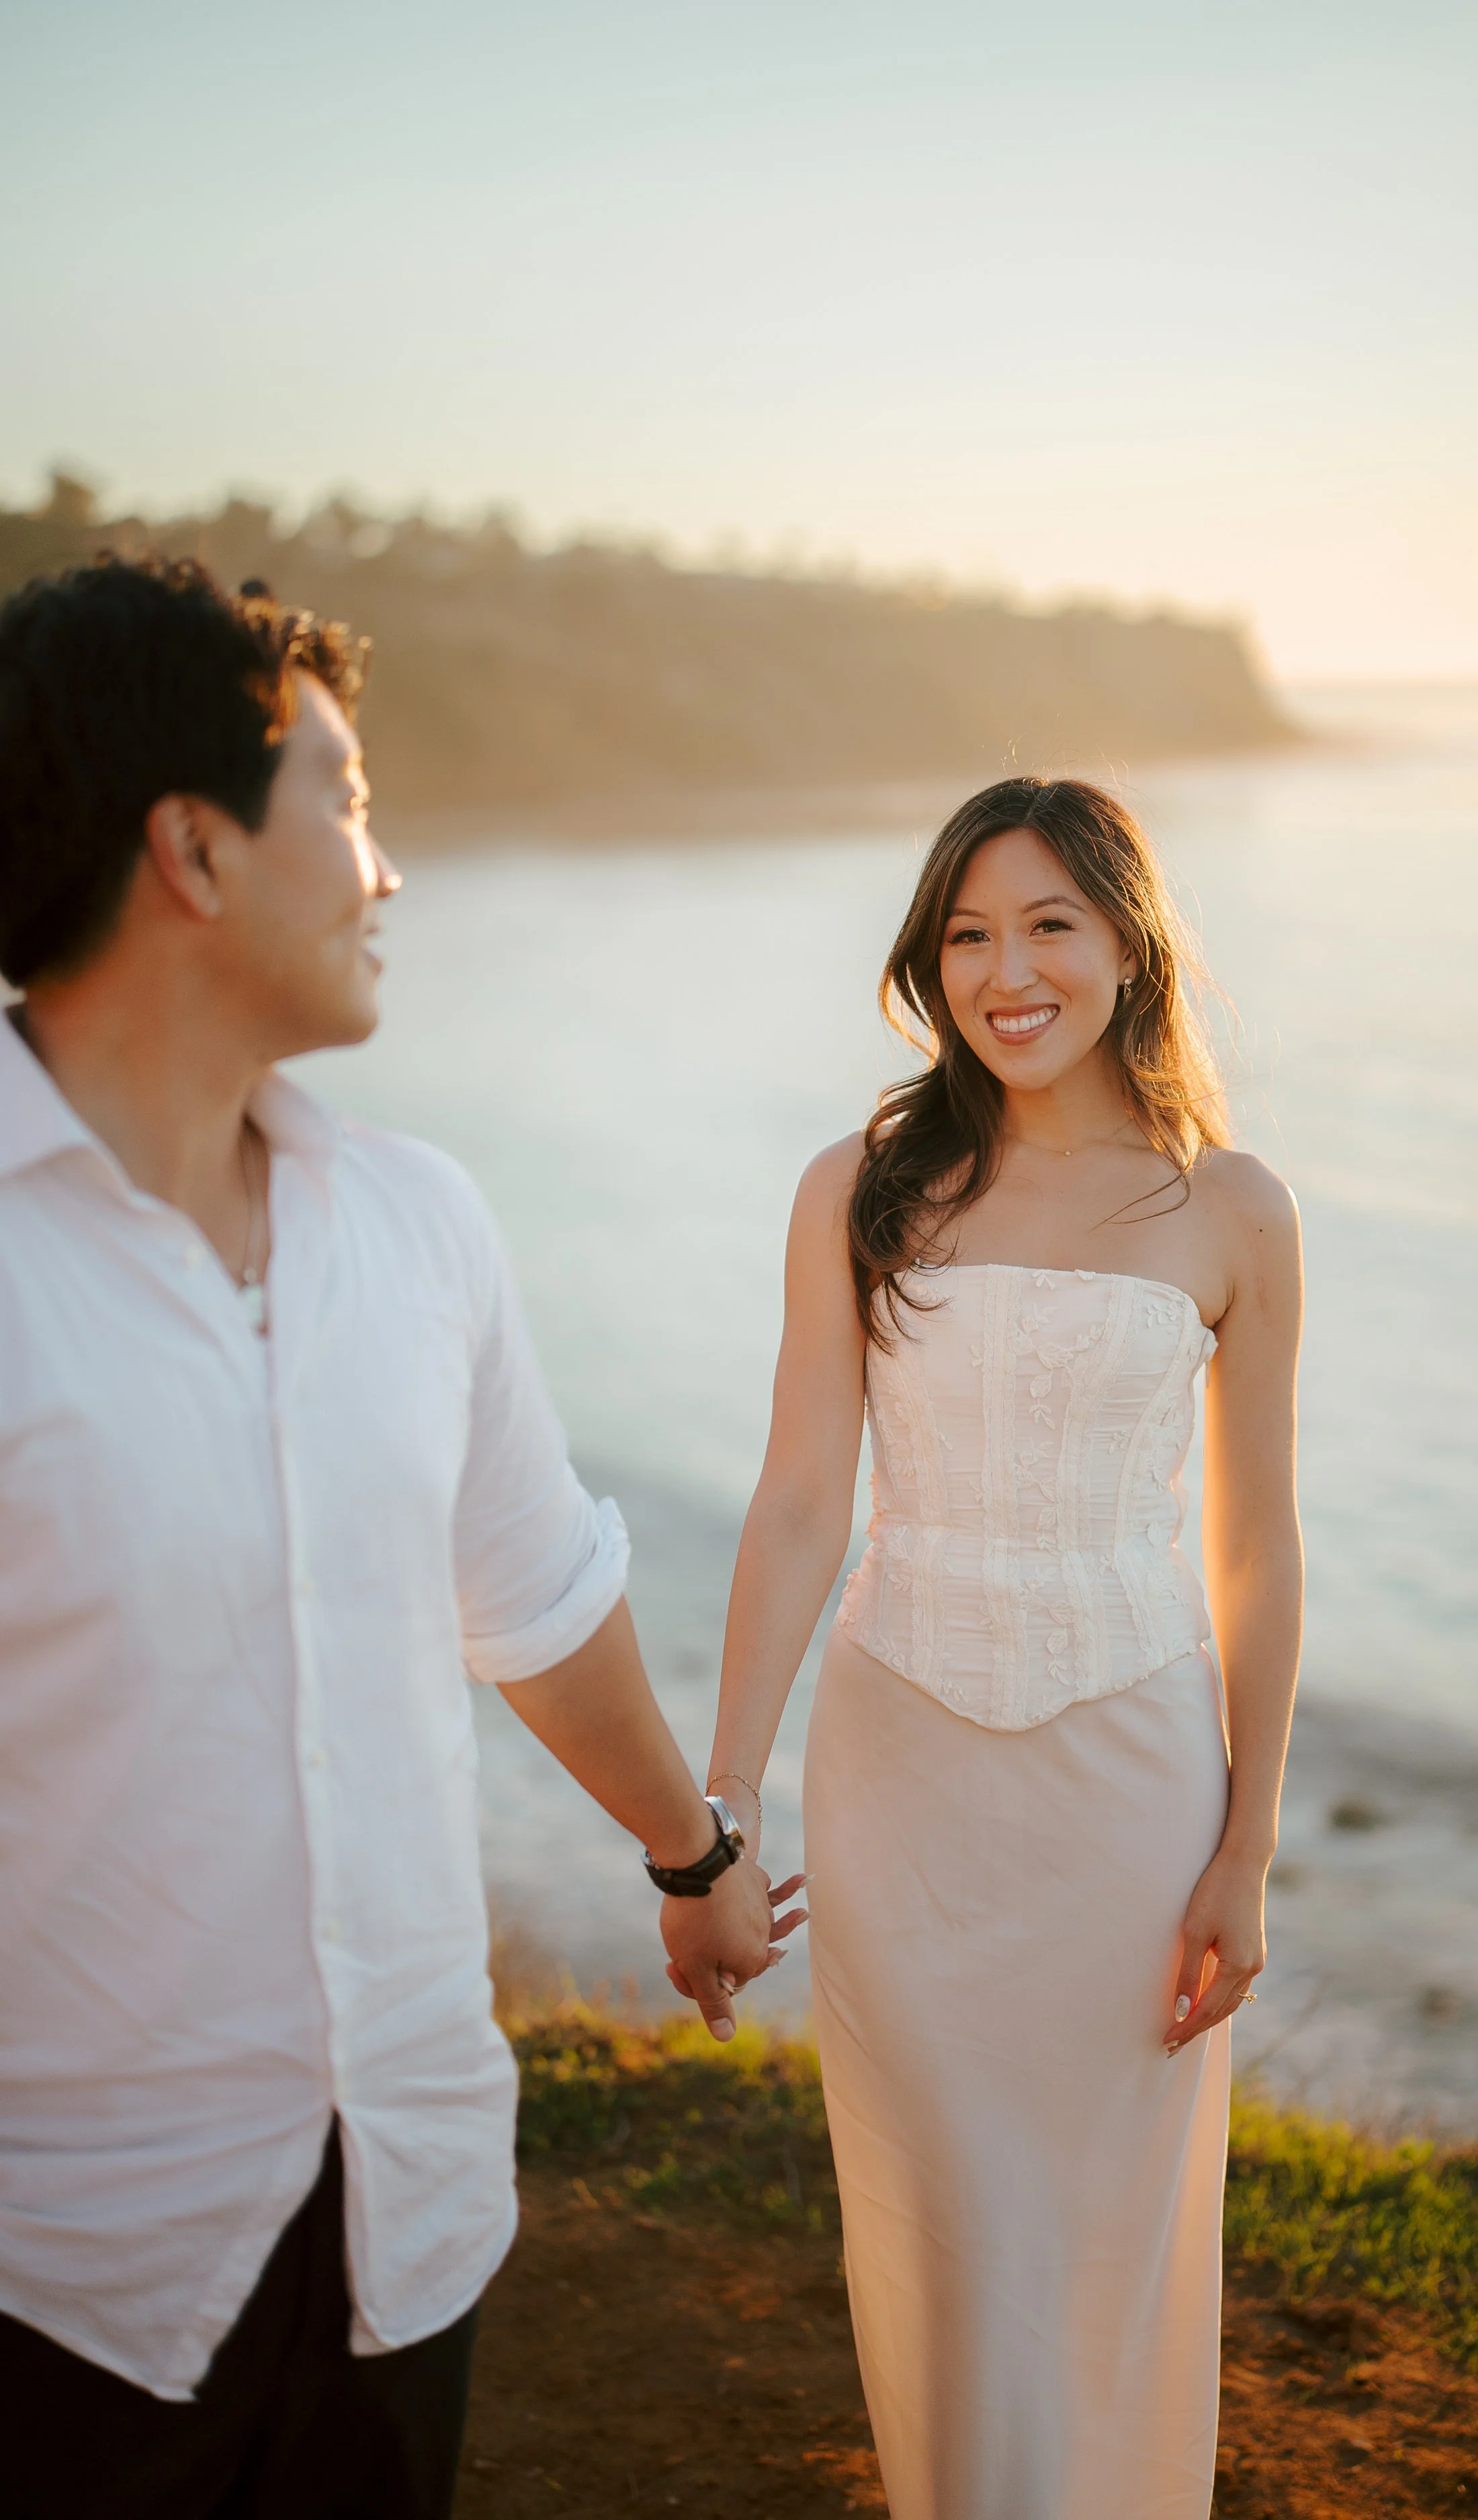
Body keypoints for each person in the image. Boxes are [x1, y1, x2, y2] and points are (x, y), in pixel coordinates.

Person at [0, 554, 797, 2520]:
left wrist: (689, 1851)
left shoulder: (421, 1222)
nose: (387, 866)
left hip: (414, 2219)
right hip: (66, 2278)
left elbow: (534, 1592)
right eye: (344, 801)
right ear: (190, 849)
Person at [698, 778, 1303, 2519]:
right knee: (943, 2227)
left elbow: (1253, 1548)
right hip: (902, 1782)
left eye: (1048, 923)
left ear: (1128, 941)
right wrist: (723, 1802)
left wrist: (1244, 1844)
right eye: (966, 933)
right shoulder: (862, 1185)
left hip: (1130, 1791)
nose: (1004, 969)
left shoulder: (1231, 1209)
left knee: (1109, 2231)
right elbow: (804, 1496)